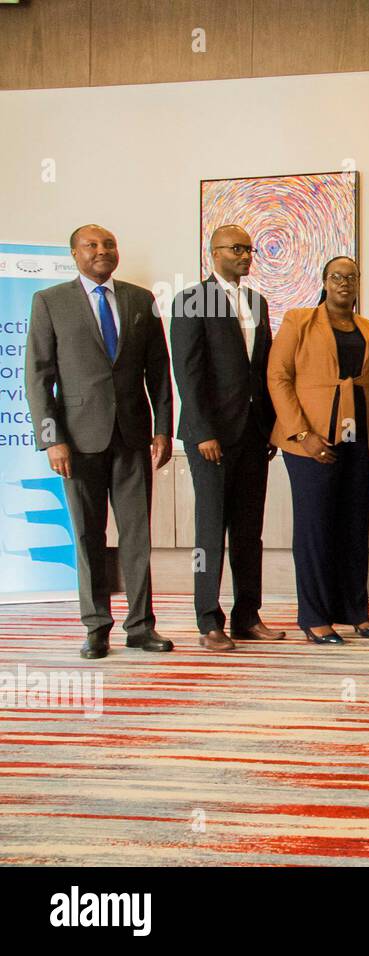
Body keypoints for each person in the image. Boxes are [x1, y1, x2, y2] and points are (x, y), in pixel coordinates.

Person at [25, 224, 174, 659]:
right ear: (74, 254)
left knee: (137, 536)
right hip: (77, 442)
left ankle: (141, 627)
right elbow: (38, 378)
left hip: (132, 438)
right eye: (91, 245)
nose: (102, 250)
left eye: (109, 244)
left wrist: (162, 429)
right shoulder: (50, 302)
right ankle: (97, 627)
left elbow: (159, 373)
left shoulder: (139, 299)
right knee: (90, 535)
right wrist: (52, 440)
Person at [170, 225, 285, 651]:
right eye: (236, 249)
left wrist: (272, 425)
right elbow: (188, 371)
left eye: (249, 250)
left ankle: (247, 617)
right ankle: (208, 621)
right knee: (210, 529)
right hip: (211, 438)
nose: (245, 256)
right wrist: (201, 431)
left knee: (248, 532)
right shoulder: (190, 300)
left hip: (254, 435)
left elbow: (265, 370)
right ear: (213, 252)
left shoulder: (257, 302)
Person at [268, 255, 369, 645]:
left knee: (354, 527)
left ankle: (355, 610)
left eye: (351, 276)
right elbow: (278, 376)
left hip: (361, 441)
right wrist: (302, 434)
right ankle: (315, 616)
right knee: (316, 527)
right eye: (337, 276)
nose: (344, 283)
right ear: (324, 281)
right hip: (311, 441)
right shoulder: (298, 321)